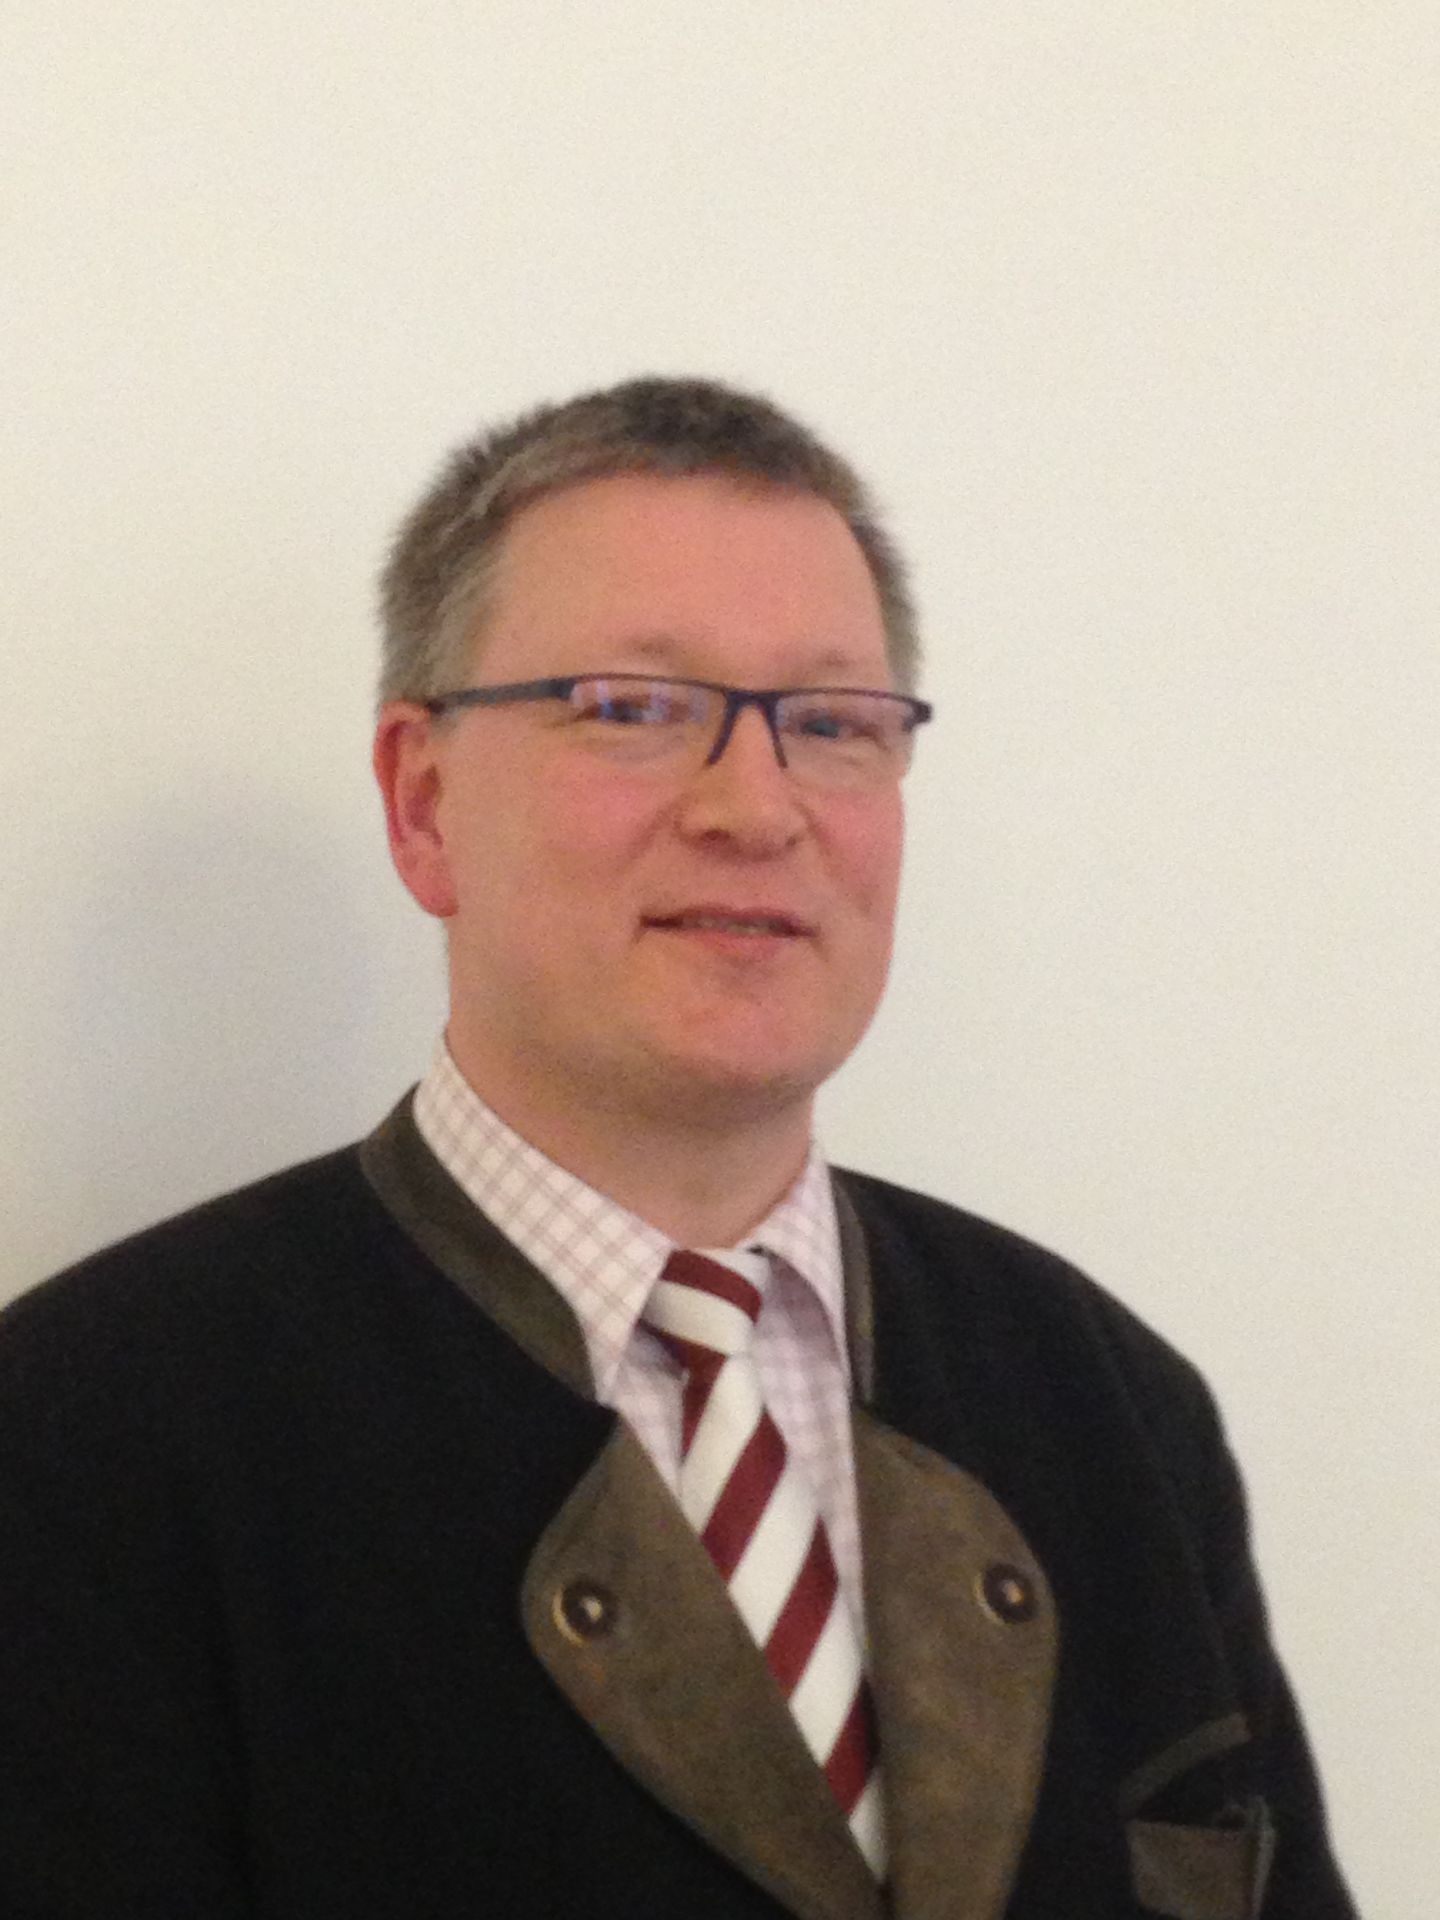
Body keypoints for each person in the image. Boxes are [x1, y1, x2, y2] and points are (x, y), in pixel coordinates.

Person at [0, 377, 1356, 1919]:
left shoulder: (1112, 1404)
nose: (756, 808)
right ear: (424, 801)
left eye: (831, 725)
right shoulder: (88, 1445)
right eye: (635, 709)